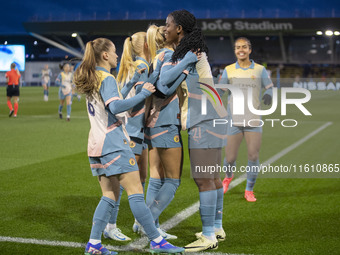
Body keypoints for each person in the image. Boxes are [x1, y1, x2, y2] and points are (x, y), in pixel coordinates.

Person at [73, 38, 184, 255]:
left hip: (96, 144)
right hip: (113, 142)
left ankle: (94, 245)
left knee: (109, 195)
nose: (117, 55)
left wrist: (132, 81)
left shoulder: (95, 77)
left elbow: (110, 102)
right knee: (135, 190)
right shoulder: (107, 78)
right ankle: (157, 241)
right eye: (113, 52)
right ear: (105, 55)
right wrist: (143, 94)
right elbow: (115, 106)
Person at [154, 10, 228, 252]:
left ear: (179, 29)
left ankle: (208, 236)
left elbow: (164, 83)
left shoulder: (187, 53)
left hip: (204, 119)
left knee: (203, 179)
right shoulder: (192, 50)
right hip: (214, 116)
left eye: (168, 25)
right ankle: (216, 227)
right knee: (213, 177)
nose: (164, 29)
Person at [105, 32, 151, 241]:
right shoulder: (141, 68)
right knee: (124, 183)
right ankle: (110, 225)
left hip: (135, 130)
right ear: (147, 45)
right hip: (131, 131)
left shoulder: (130, 67)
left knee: (139, 179)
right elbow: (128, 103)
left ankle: (138, 221)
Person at [219, 37, 273, 202]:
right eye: (237, 47)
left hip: (253, 120)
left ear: (250, 50)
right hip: (233, 120)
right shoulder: (228, 70)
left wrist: (269, 94)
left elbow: (269, 86)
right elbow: (221, 89)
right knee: (229, 158)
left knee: (253, 156)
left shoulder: (259, 69)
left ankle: (249, 189)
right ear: (235, 50)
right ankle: (228, 177)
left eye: (243, 47)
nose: (240, 50)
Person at [142, 24, 182, 240]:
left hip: (152, 121)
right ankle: (147, 221)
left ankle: (152, 225)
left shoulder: (157, 56)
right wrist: (185, 68)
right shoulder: (169, 55)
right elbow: (164, 89)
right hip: (164, 122)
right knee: (173, 180)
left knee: (156, 175)